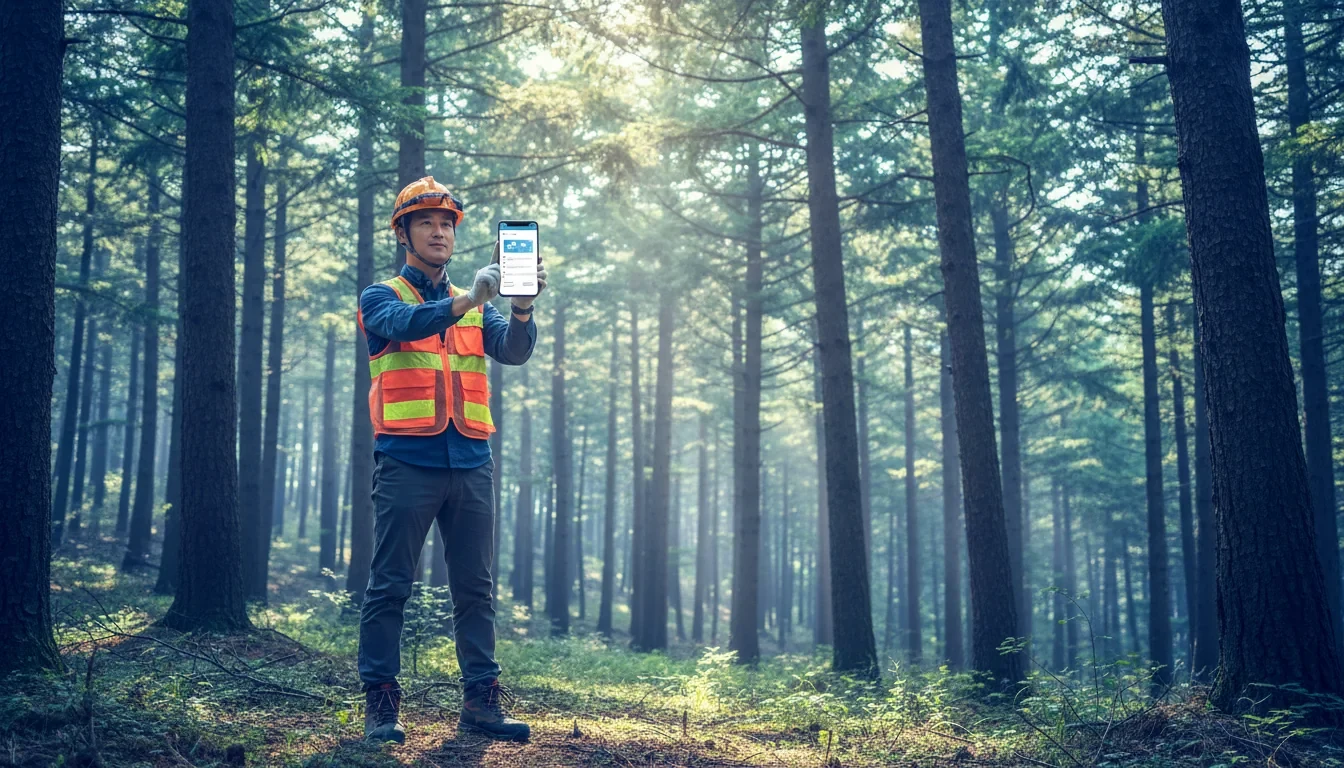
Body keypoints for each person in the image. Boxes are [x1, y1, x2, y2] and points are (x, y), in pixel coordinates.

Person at [356, 176, 547, 743]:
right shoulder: (381, 296)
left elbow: (512, 352)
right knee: (390, 585)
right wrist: (469, 299)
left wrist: (520, 308)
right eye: (426, 223)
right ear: (404, 233)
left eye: (447, 225)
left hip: (470, 459)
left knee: (475, 589)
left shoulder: (480, 302)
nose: (439, 232)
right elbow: (407, 326)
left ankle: (483, 704)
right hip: (407, 461)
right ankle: (382, 708)